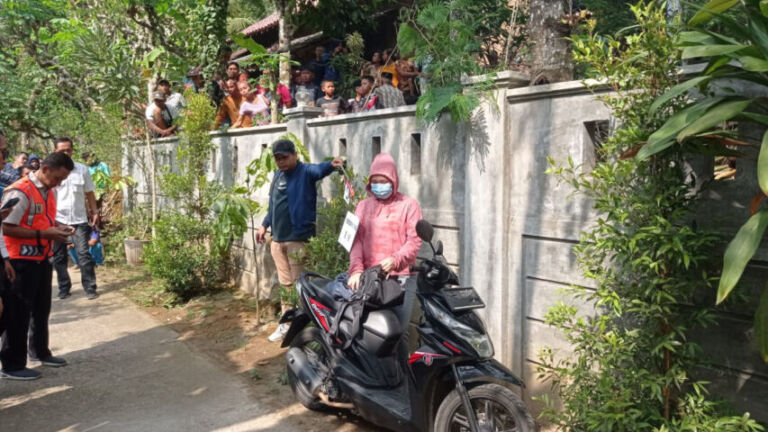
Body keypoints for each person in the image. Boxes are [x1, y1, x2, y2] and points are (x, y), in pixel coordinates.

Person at [256, 139, 343, 342]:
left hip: (298, 239)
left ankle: (302, 327)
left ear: (295, 155)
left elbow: (319, 170)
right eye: (277, 159)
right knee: (285, 283)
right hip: (277, 239)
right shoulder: (278, 176)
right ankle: (286, 324)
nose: (281, 162)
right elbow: (273, 205)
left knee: (300, 285)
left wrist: (332, 165)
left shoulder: (305, 172)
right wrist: (264, 225)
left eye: (284, 157)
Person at [1, 152, 75, 380]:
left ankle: (39, 351)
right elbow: (5, 227)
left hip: (41, 256)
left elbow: (42, 218)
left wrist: (59, 227)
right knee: (17, 313)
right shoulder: (20, 191)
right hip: (18, 261)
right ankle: (12, 364)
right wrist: (45, 233)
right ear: (45, 169)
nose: (59, 183)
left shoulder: (47, 190)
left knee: (41, 309)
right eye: (58, 178)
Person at [348, 153, 422, 290]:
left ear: (393, 181)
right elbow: (355, 240)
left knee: (399, 312)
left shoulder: (409, 205)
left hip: (402, 278)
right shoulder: (363, 206)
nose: (378, 186)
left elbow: (414, 241)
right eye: (374, 182)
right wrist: (356, 270)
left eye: (383, 182)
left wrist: (396, 260)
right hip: (368, 277)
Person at [50, 138, 100, 300]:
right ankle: (64, 287)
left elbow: (89, 193)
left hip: (79, 218)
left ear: (72, 150)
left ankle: (90, 287)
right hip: (58, 219)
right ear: (55, 151)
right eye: (62, 150)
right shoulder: (50, 170)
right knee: (59, 257)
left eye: (68, 150)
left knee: (83, 253)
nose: (66, 153)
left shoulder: (82, 169)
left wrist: (94, 211)